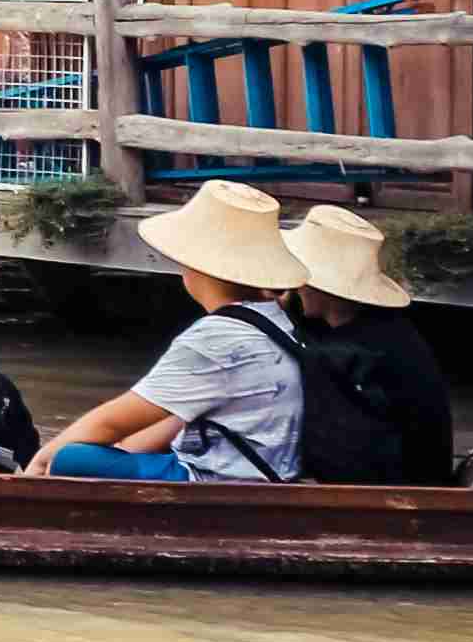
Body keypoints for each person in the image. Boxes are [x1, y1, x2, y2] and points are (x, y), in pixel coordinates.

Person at [20, 181, 308, 482]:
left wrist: (41, 463)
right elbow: (172, 417)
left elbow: (110, 423)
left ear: (196, 266)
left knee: (70, 458)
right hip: (269, 471)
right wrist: (125, 450)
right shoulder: (276, 318)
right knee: (120, 449)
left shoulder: (215, 339)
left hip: (216, 482)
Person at [282, 205, 459, 486]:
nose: (296, 287)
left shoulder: (362, 353)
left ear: (323, 287)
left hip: (399, 493)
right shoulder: (382, 328)